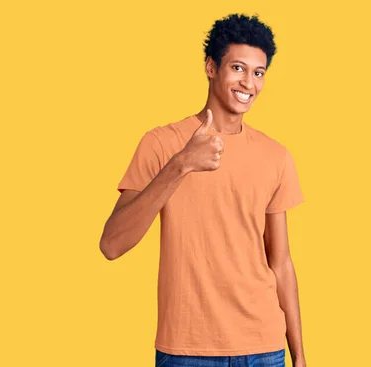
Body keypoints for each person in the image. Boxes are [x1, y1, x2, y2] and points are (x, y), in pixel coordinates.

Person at [99, 13, 307, 367]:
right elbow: (112, 245)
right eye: (238, 68)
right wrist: (180, 165)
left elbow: (281, 262)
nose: (249, 83)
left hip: (264, 348)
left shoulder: (276, 156)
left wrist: (299, 356)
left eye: (258, 73)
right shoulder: (162, 144)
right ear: (211, 67)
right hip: (186, 350)